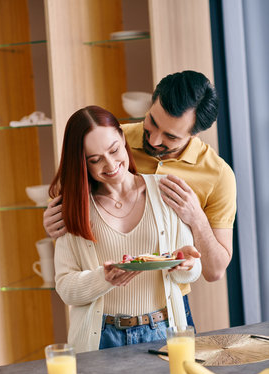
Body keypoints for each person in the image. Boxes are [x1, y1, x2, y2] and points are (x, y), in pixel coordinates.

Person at [44, 70, 236, 325]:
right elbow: (74, 191)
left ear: (194, 134)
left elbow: (214, 271)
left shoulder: (218, 175)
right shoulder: (113, 142)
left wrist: (196, 217)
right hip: (106, 316)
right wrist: (53, 218)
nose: (155, 139)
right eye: (152, 122)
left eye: (170, 137)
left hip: (166, 308)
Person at [50, 105, 201, 353]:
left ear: (122, 137)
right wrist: (103, 278)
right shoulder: (73, 208)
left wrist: (186, 264)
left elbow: (192, 271)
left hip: (163, 330)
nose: (110, 165)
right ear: (81, 163)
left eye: (114, 150)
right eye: (95, 160)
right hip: (101, 338)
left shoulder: (165, 190)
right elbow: (66, 288)